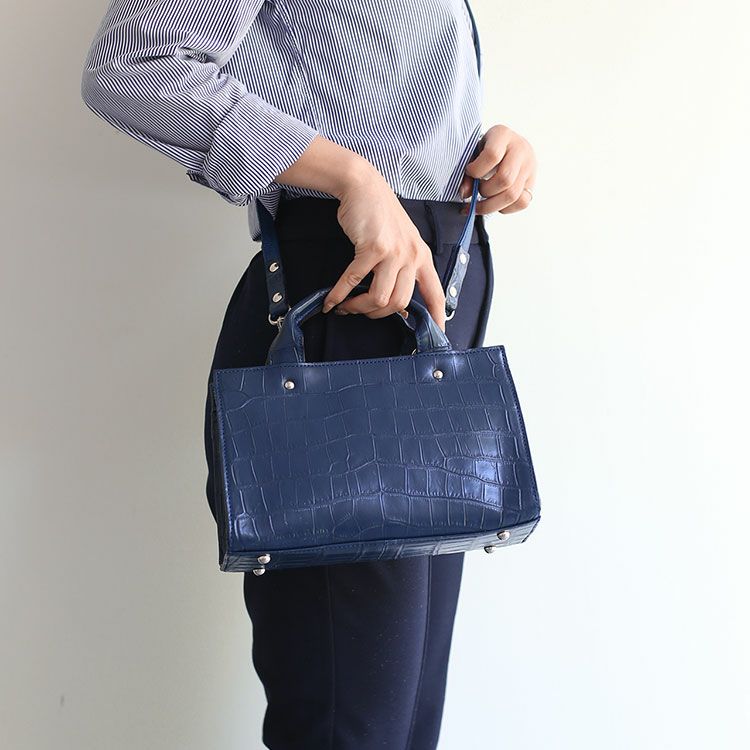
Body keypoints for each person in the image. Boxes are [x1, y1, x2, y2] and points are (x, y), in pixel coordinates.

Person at [81, 1, 537, 747]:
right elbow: (132, 65)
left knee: (401, 723)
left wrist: (479, 149)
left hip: (425, 308)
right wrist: (353, 177)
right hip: (343, 307)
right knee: (349, 724)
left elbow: (368, 89)